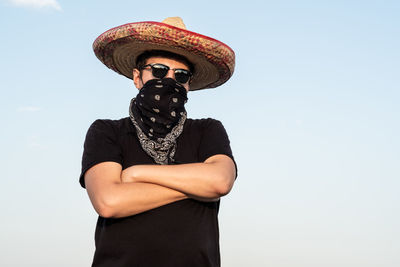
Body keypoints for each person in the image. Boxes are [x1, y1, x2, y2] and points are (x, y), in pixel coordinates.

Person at [79, 17, 237, 267]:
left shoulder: (207, 130)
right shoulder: (107, 131)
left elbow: (220, 181)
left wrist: (134, 174)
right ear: (137, 77)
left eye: (181, 75)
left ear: (188, 84)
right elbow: (109, 202)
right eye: (160, 70)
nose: (170, 80)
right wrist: (196, 189)